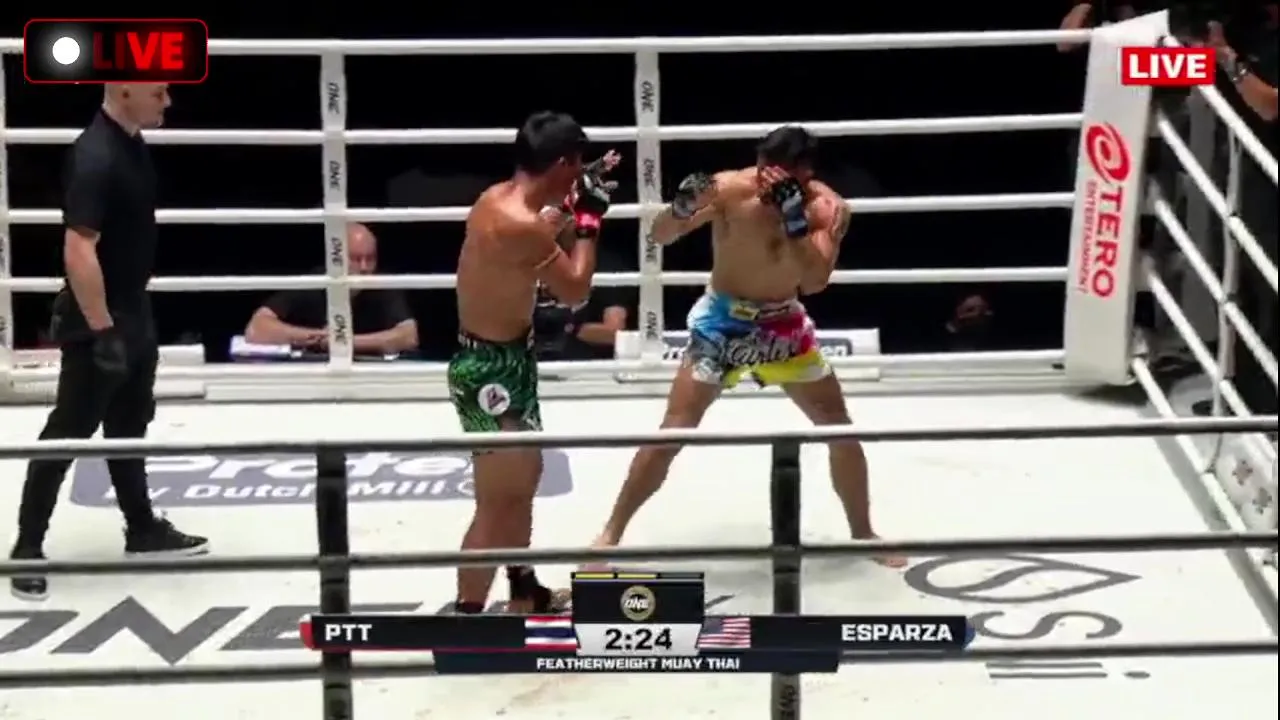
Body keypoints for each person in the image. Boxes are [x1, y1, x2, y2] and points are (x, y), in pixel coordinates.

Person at [590, 125, 904, 567]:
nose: (764, 179)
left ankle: (864, 534)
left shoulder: (825, 208)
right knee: (672, 431)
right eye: (762, 167)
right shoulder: (730, 189)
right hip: (722, 324)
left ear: (805, 173)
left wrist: (794, 222)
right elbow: (660, 234)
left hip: (783, 325)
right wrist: (681, 206)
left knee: (840, 429)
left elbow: (814, 281)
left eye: (778, 172)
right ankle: (610, 534)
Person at [9, 85, 208, 602]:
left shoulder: (130, 143)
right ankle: (27, 547)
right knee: (69, 430)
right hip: (99, 316)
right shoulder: (95, 154)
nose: (168, 102)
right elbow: (79, 249)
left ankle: (141, 527)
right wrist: (101, 329)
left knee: (129, 424)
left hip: (132, 309)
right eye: (158, 92)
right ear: (124, 90)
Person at [446, 111, 619, 613]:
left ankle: (524, 590)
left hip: (508, 360)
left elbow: (541, 230)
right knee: (497, 503)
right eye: (577, 164)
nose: (579, 171)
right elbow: (575, 290)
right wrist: (589, 219)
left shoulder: (497, 199)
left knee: (524, 480)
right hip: (488, 373)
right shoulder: (517, 222)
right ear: (562, 163)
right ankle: (467, 616)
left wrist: (572, 198)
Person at [242, 223, 418, 354]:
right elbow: (257, 329)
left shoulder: (382, 286)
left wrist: (342, 342)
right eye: (355, 259)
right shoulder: (315, 281)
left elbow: (409, 336)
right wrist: (317, 338)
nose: (364, 267)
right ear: (336, 258)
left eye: (370, 258)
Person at [532, 286, 629, 362]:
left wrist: (573, 328)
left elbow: (614, 333)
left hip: (583, 366)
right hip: (534, 359)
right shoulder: (531, 280)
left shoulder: (604, 280)